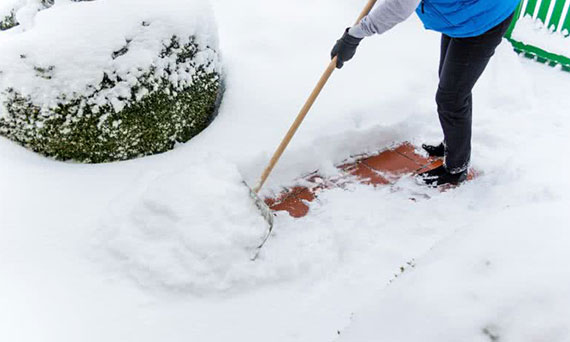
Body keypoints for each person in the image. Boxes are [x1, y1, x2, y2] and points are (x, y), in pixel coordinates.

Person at [331, 0, 520, 186]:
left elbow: (399, 6)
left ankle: (456, 168)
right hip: (461, 12)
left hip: (484, 15)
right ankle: (454, 146)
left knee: (451, 97)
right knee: (453, 88)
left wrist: (354, 36)